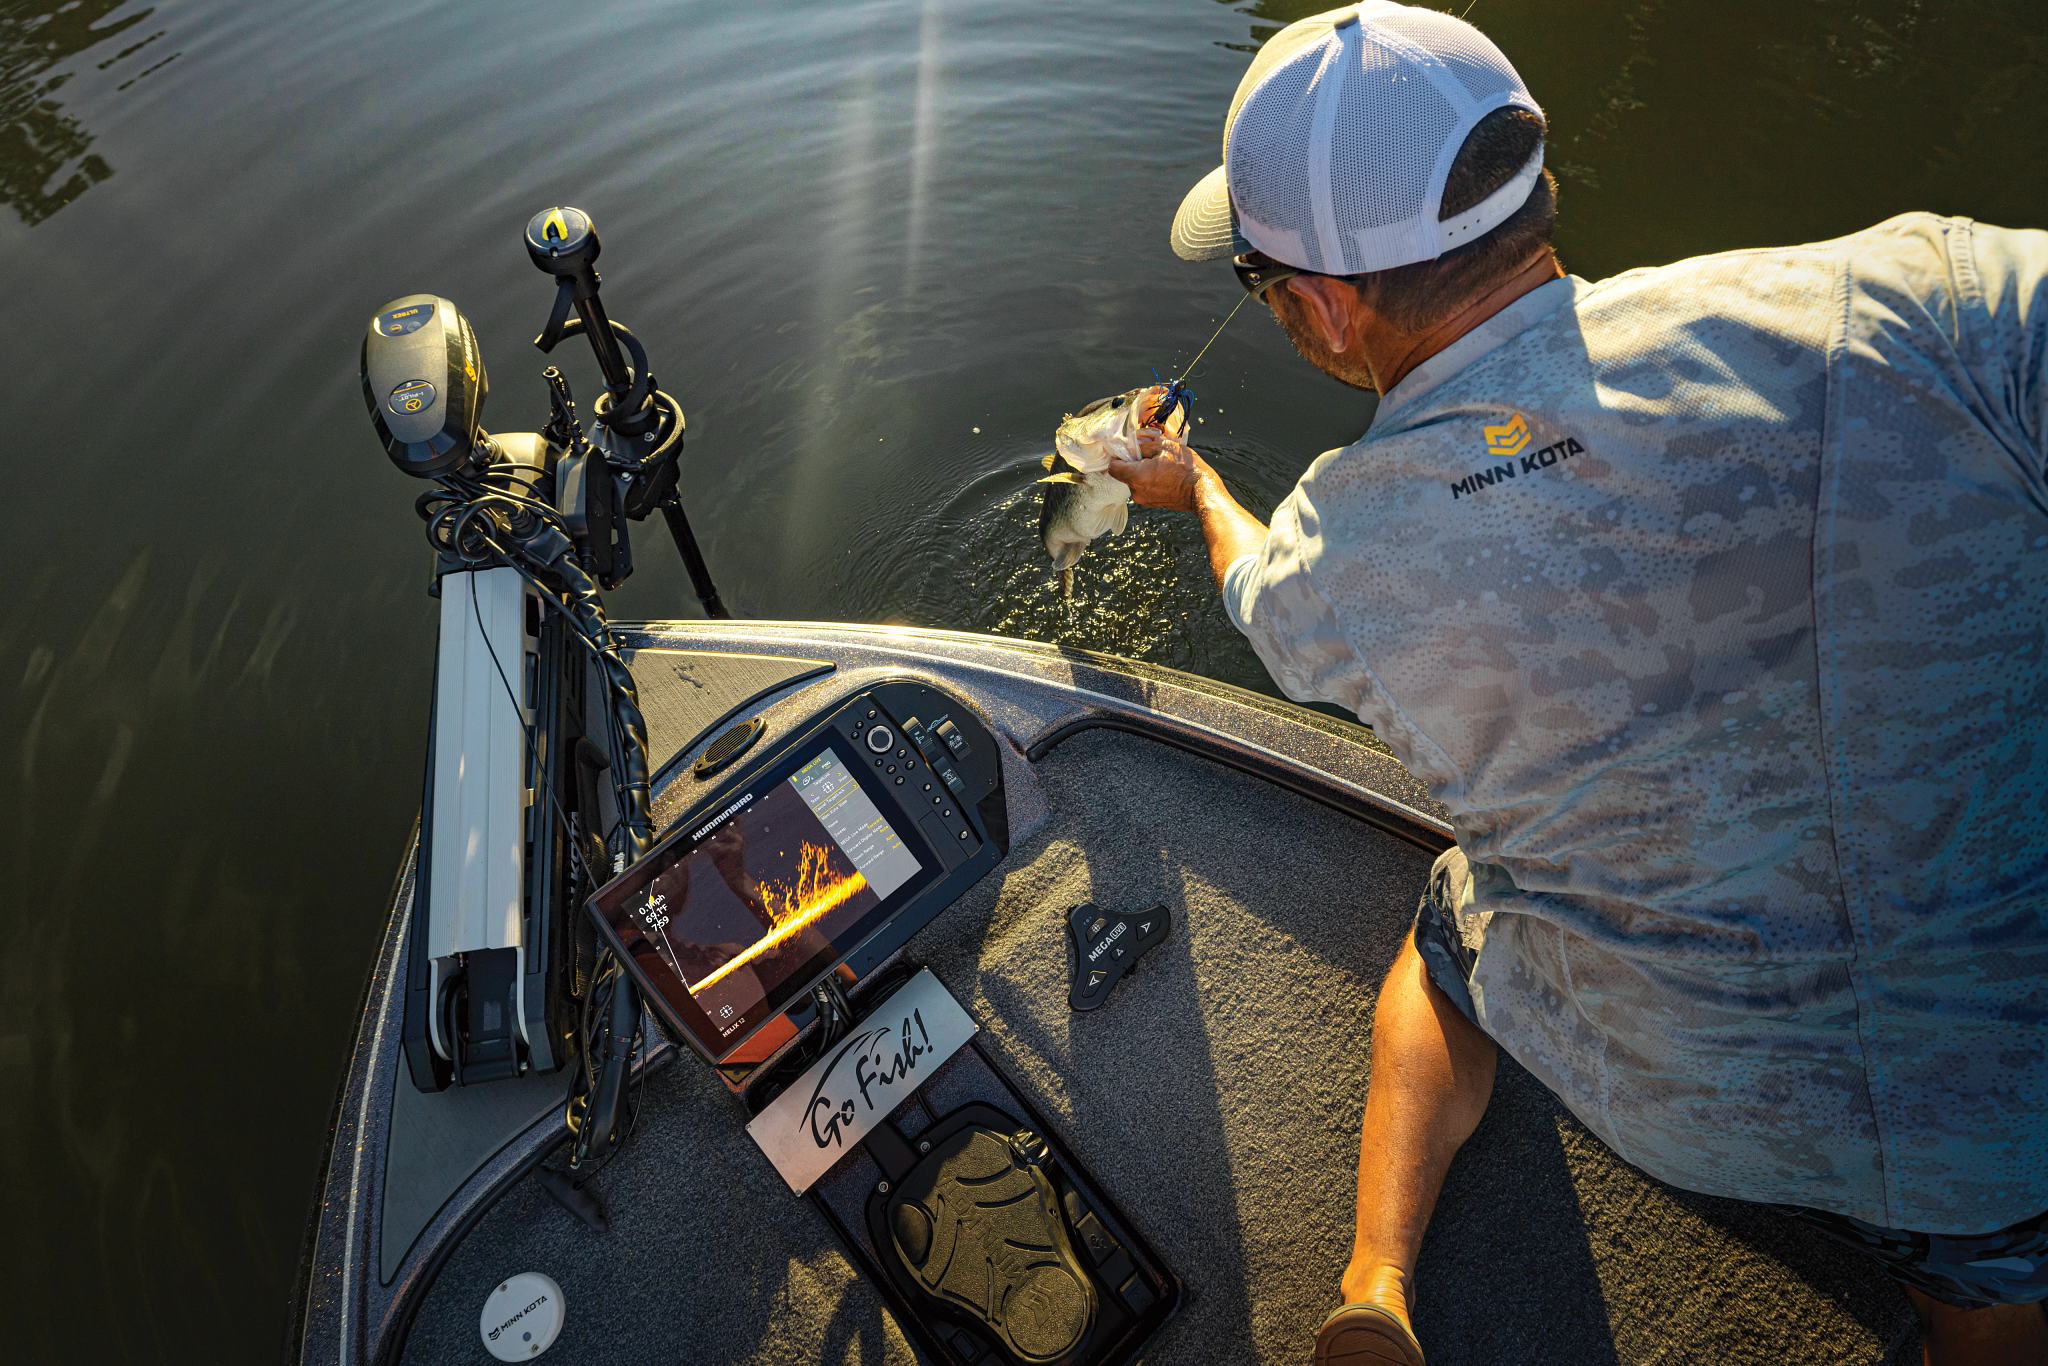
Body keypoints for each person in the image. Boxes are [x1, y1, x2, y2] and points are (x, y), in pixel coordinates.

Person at [1110, 6, 2048, 1364]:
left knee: (1457, 923)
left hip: (1692, 1093)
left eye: (1262, 279)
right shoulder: (1920, 301)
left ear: (1320, 304)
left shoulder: (1338, 549)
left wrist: (1190, 482)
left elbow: (1259, 585)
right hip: (2010, 1095)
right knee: (1992, 1266)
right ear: (1530, 186)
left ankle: (1374, 1283)